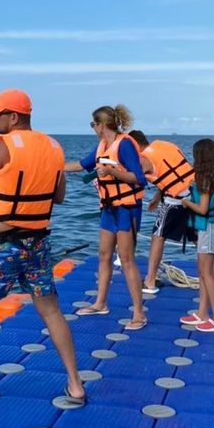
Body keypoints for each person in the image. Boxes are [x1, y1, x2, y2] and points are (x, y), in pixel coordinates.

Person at [0, 89, 85, 404]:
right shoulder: (54, 147)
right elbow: (59, 197)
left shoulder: (0, 147)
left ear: (14, 116)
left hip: (1, 247)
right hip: (37, 246)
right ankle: (76, 384)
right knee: (51, 311)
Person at [65, 105, 147, 331]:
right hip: (108, 208)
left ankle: (139, 312)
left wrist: (112, 172)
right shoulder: (102, 146)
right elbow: (81, 165)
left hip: (127, 209)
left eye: (93, 124)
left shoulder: (125, 145)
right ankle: (100, 303)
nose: (93, 128)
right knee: (103, 255)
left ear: (101, 124)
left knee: (127, 259)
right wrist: (53, 166)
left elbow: (139, 179)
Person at [179, 139, 214, 332]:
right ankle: (202, 313)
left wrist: (186, 202)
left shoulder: (204, 179)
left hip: (210, 227)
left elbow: (202, 209)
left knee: (207, 272)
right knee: (203, 270)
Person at [139, 137, 194, 293]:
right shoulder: (166, 147)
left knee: (158, 236)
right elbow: (168, 173)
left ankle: (150, 282)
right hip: (192, 195)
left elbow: (135, 177)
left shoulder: (145, 158)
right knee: (197, 238)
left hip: (174, 201)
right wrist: (157, 197)